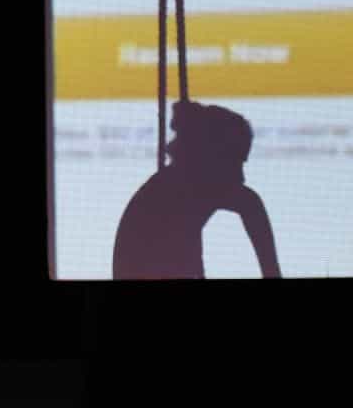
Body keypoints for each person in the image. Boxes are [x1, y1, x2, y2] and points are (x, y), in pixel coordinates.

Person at [112, 99, 281, 279]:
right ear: (213, 156)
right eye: (235, 163)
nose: (241, 177)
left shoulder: (172, 186)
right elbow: (250, 204)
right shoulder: (185, 188)